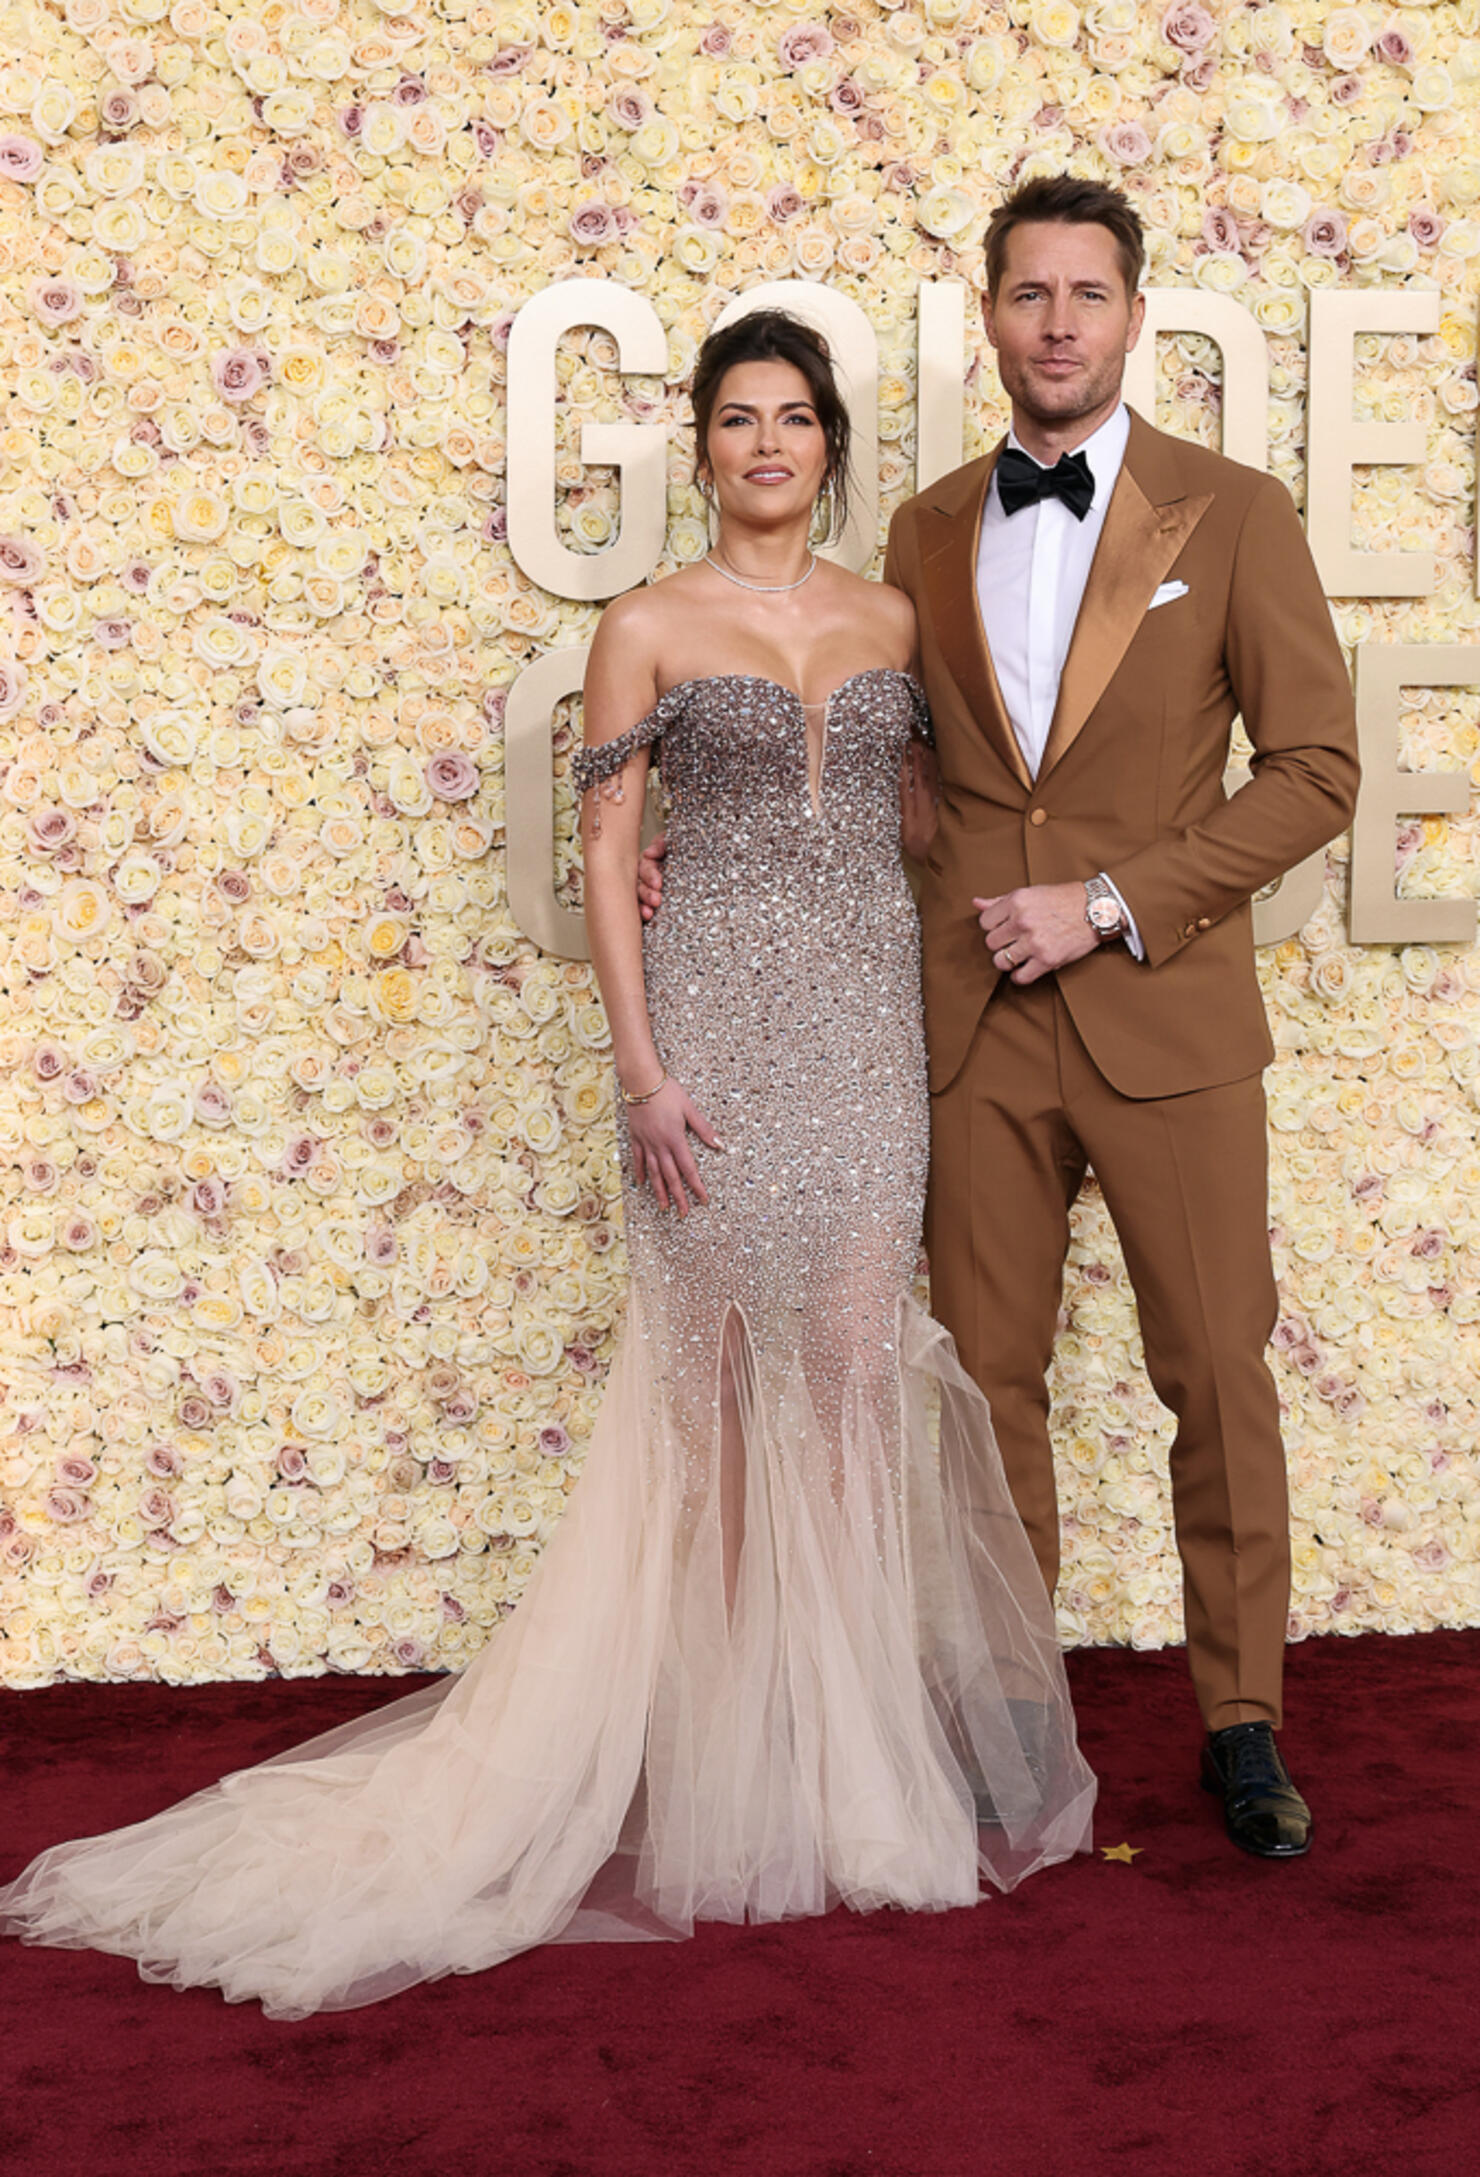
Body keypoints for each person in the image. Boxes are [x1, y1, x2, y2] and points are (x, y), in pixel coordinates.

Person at [0, 311, 1093, 2021]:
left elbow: (921, 821)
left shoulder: (891, 614)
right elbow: (600, 845)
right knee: (723, 1416)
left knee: (861, 1385)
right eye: (736, 419)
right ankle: (742, 1773)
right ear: (702, 444)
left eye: (794, 419)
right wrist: (642, 1070)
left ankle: (853, 1772)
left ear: (827, 445)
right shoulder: (642, 621)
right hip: (713, 1053)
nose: (765, 447)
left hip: (868, 1053)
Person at [644, 180, 1360, 1860]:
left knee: (1216, 1372)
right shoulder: (926, 530)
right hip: (967, 1027)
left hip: (1165, 1014)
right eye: (1028, 293)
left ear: (1132, 316)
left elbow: (1319, 770)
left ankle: (1241, 1719)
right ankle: (1011, 1718)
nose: (1057, 321)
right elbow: (910, 778)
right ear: (990, 318)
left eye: (1087, 294)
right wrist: (715, 832)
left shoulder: (1235, 514)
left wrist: (1109, 901)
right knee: (983, 1384)